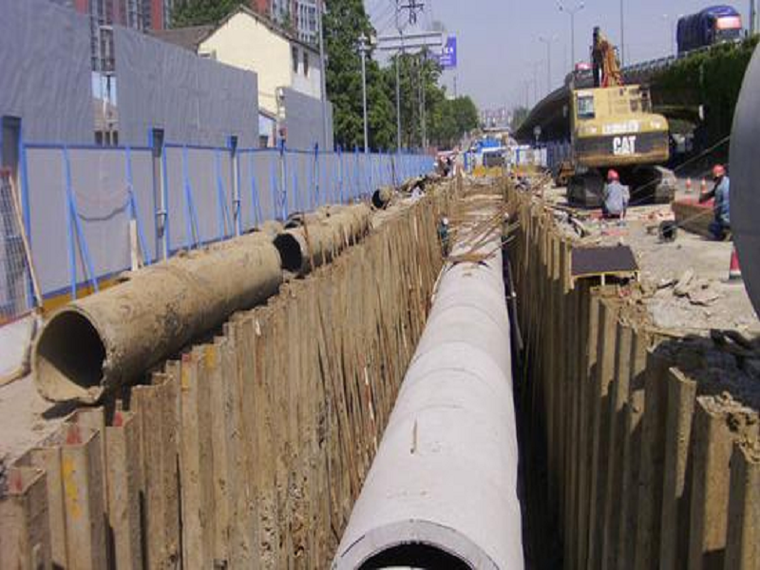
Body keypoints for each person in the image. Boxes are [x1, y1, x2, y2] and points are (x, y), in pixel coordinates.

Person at [699, 164, 731, 240]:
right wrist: (704, 198)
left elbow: (725, 206)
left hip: (726, 219)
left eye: (716, 176)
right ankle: (726, 232)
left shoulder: (723, 187)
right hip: (727, 218)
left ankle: (726, 233)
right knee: (714, 225)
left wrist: (722, 219)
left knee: (712, 227)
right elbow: (713, 192)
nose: (715, 178)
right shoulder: (722, 182)